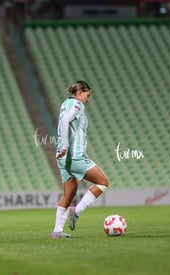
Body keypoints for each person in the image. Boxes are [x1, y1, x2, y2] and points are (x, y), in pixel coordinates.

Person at [51, 80, 110, 238]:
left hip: (63, 158)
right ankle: (76, 212)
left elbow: (67, 124)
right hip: (72, 155)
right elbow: (65, 121)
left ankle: (57, 231)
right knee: (103, 182)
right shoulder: (78, 105)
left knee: (69, 194)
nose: (87, 99)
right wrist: (65, 146)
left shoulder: (65, 104)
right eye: (87, 95)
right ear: (78, 93)